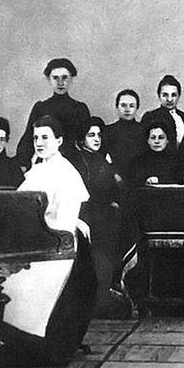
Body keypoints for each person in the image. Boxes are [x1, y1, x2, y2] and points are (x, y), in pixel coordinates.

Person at [0, 115, 95, 368]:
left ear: (59, 140)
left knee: (13, 278)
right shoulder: (39, 168)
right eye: (36, 137)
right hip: (32, 239)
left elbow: (62, 221)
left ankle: (9, 344)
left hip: (53, 245)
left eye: (45, 138)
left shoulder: (66, 172)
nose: (39, 142)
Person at [73, 117, 125, 317]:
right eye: (91, 135)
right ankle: (97, 303)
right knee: (97, 261)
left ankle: (104, 299)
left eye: (99, 135)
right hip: (88, 217)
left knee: (107, 260)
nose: (96, 139)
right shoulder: (79, 161)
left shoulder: (100, 159)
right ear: (82, 139)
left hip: (105, 218)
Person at [16, 58, 90, 168]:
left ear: (71, 79)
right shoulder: (40, 108)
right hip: (46, 162)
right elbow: (28, 138)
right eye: (55, 78)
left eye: (64, 77)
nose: (60, 83)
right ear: (49, 79)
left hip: (75, 163)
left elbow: (87, 140)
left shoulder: (80, 109)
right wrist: (23, 164)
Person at [140, 74, 184, 158]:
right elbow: (143, 146)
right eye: (165, 95)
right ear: (159, 96)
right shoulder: (150, 117)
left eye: (173, 95)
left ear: (179, 96)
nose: (169, 99)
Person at [103, 89, 145, 181]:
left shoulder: (144, 131)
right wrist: (113, 174)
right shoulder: (108, 131)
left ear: (137, 108)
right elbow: (102, 159)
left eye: (131, 106)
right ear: (117, 107)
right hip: (115, 180)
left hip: (141, 180)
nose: (127, 109)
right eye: (123, 105)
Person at [128, 122, 180, 187]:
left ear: (167, 140)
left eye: (161, 137)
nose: (157, 141)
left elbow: (179, 178)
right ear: (148, 140)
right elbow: (134, 181)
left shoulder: (176, 160)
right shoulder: (138, 161)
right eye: (153, 138)